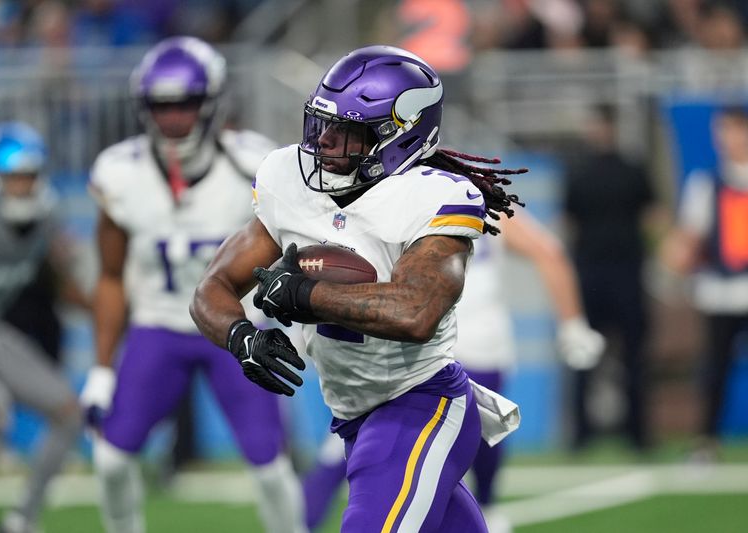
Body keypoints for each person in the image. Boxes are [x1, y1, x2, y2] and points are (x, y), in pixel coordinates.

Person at [190, 45, 524, 533]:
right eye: (322, 123)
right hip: (353, 415)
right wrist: (240, 335)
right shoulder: (289, 182)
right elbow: (212, 287)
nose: (325, 140)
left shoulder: (435, 196)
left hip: (422, 404)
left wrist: (305, 293)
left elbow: (416, 311)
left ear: (398, 136)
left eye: (347, 130)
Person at [79, 36, 307, 533]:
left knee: (271, 469)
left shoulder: (255, 166)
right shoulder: (120, 173)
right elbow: (112, 276)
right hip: (158, 326)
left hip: (235, 331)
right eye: (161, 106)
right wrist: (101, 368)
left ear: (211, 103)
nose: (173, 117)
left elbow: (298, 249)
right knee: (111, 460)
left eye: (185, 103)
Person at [301, 207, 606, 532]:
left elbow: (547, 252)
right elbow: (549, 252)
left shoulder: (409, 198)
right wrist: (573, 325)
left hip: (424, 348)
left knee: (359, 454)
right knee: (450, 465)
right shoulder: (465, 198)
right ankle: (487, 510)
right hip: (454, 344)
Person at [0, 122, 84, 533]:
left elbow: (61, 285)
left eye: (29, 176)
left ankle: (22, 519)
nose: (22, 186)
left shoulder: (46, 218)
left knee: (68, 413)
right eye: (12, 177)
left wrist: (106, 304)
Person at [563, 104, 656, 451]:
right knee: (583, 354)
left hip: (626, 272)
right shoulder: (579, 171)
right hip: (592, 273)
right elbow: (569, 221)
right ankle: (582, 435)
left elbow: (651, 218)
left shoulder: (632, 170)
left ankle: (638, 434)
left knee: (635, 357)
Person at [661, 105, 748, 460]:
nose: (726, 138)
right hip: (720, 292)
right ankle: (706, 442)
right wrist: (674, 260)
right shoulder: (706, 183)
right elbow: (689, 238)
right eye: (721, 131)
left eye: (733, 129)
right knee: (715, 370)